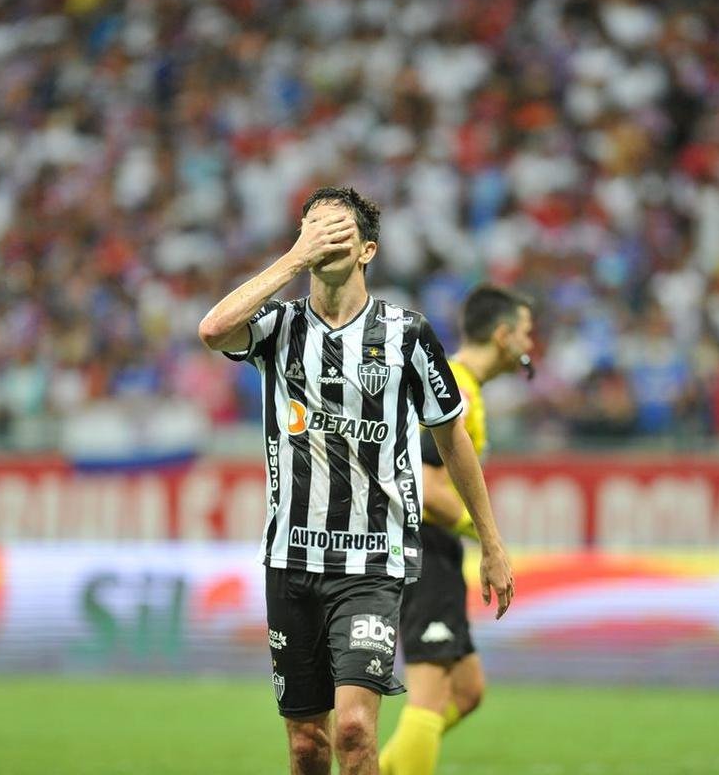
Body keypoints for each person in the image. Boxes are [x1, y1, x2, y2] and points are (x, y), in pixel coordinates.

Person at [198, 186, 514, 775]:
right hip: (290, 563)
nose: (323, 234)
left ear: (366, 249)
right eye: (312, 225)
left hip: (371, 565)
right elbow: (213, 330)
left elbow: (453, 439)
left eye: (336, 227)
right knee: (306, 746)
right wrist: (294, 259)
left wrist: (492, 543)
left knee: (353, 731)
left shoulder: (407, 335)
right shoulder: (278, 327)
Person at [379, 285, 534, 775]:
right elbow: (423, 485)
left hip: (435, 550)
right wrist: (486, 535)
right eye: (527, 332)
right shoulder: (459, 390)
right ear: (504, 335)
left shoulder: (465, 387)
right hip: (423, 548)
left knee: (467, 691)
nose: (532, 343)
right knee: (428, 697)